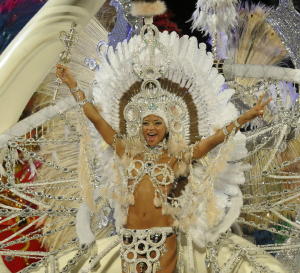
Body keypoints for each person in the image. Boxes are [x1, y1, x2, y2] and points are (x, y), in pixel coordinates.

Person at [56, 63, 271, 273]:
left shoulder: (176, 158)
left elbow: (213, 141)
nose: (151, 128)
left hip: (162, 237)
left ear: (166, 127)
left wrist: (246, 117)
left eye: (157, 123)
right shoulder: (127, 151)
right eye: (146, 123)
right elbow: (95, 118)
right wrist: (72, 84)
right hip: (130, 237)